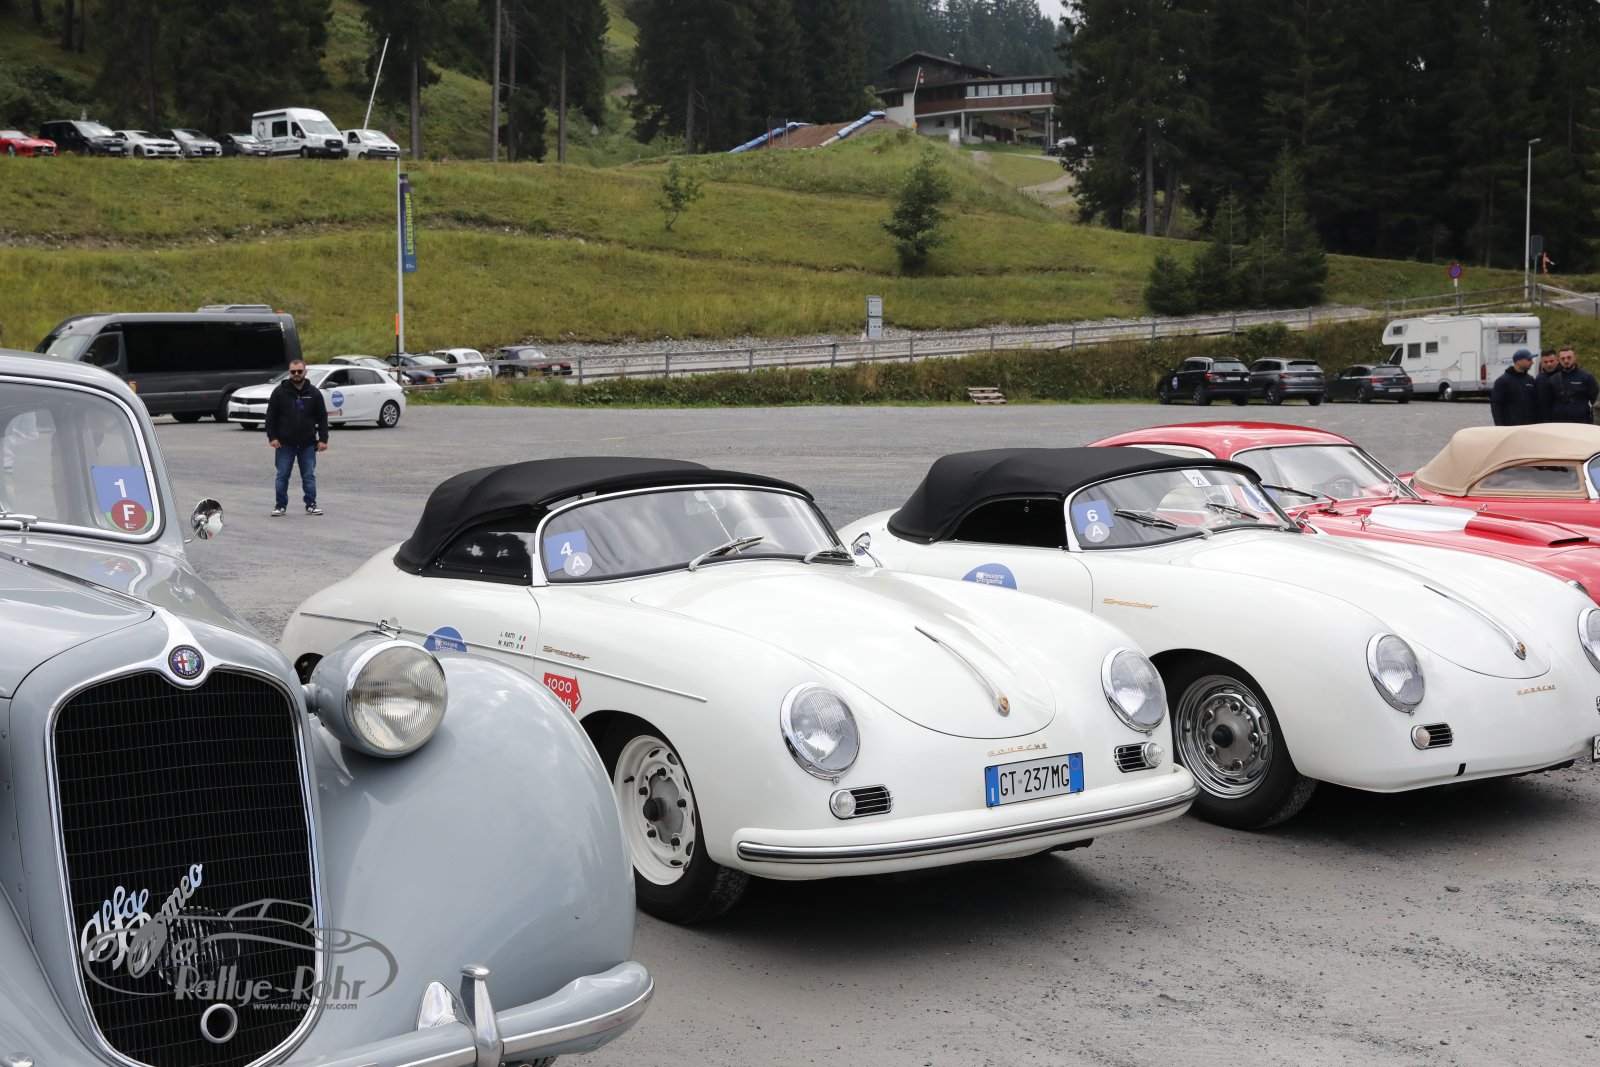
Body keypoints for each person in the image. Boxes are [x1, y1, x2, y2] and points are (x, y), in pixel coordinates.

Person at [263, 359, 328, 516]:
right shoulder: (279, 392)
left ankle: (311, 504)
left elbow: (322, 417)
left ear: (305, 372)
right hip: (284, 444)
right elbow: (270, 416)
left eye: (299, 371)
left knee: (308, 475)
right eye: (293, 372)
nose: (296, 374)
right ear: (289, 373)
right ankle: (280, 506)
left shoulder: (314, 393)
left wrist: (323, 439)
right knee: (282, 475)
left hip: (307, 444)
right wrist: (272, 437)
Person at [1538, 345, 1599, 424]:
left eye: (1569, 357)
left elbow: (1596, 403)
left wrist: (1594, 422)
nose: (1566, 361)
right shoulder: (1552, 380)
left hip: (1582, 424)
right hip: (1559, 425)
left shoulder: (1586, 377)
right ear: (1559, 360)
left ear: (1575, 357)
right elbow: (1547, 406)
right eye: (1563, 358)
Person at [1490, 348, 1539, 426]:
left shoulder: (1530, 380)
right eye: (1529, 359)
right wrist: (1499, 426)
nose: (1532, 362)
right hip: (1510, 427)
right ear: (1518, 361)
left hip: (1529, 427)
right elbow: (1496, 405)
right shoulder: (1502, 381)